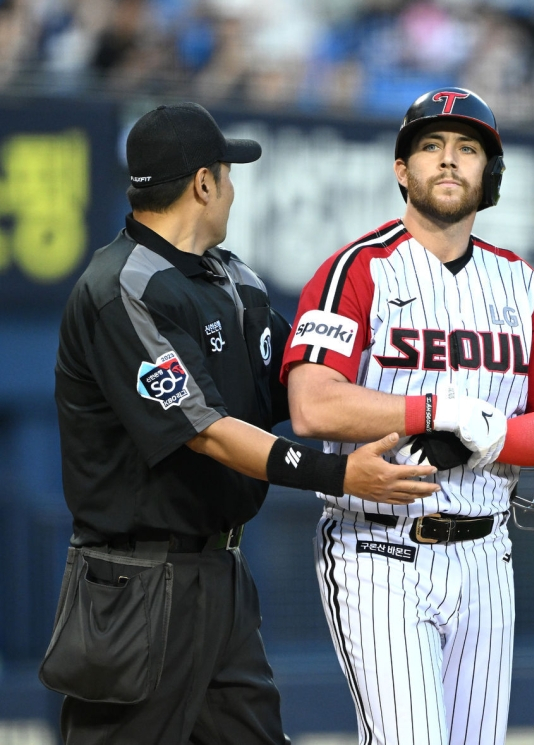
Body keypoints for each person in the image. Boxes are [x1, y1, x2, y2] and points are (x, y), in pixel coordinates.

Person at [40, 102, 439, 745]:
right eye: (228, 173)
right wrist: (341, 474)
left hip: (221, 577)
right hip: (135, 584)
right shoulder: (122, 287)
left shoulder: (236, 278)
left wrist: (425, 404)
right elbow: (208, 431)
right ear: (203, 183)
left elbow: (306, 388)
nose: (233, 188)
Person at [281, 88, 534, 745]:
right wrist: (437, 409)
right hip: (379, 546)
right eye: (430, 146)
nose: (448, 160)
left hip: (486, 552)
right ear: (402, 170)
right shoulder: (356, 269)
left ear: (489, 174)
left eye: (467, 148)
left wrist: (493, 434)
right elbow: (311, 404)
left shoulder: (519, 283)